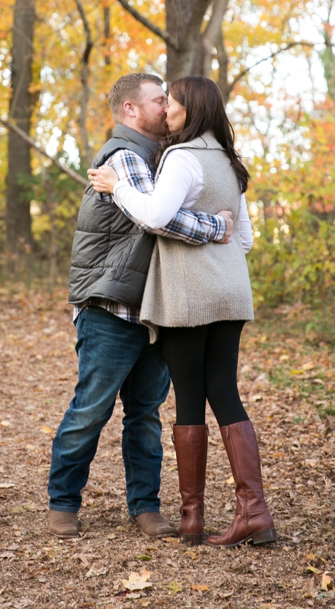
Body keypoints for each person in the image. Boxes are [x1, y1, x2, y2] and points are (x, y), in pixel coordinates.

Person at [87, 75, 276, 548]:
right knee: (225, 394)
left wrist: (115, 188)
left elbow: (153, 216)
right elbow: (244, 239)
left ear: (189, 108)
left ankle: (193, 518)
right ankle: (254, 511)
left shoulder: (180, 157)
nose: (166, 109)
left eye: (171, 102)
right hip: (232, 292)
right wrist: (217, 237)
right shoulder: (231, 163)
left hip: (188, 295)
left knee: (189, 398)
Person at [48, 73, 235, 540]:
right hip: (112, 305)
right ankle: (63, 502)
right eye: (158, 100)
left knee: (145, 413)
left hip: (155, 307)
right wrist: (217, 226)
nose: (166, 107)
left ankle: (145, 506)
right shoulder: (126, 157)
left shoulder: (169, 157)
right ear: (131, 110)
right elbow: (160, 220)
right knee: (91, 409)